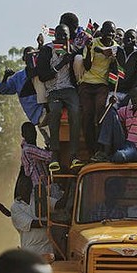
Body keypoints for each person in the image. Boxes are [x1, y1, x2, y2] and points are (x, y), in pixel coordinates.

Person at [36, 24, 82, 171]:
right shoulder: (47, 50)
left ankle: (74, 155)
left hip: (69, 89)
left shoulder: (73, 49)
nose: (62, 39)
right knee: (54, 112)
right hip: (53, 90)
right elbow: (43, 76)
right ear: (54, 36)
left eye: (65, 36)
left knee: (75, 112)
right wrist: (62, 63)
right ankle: (54, 154)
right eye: (59, 36)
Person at [79, 21, 122, 154]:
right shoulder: (93, 42)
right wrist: (89, 49)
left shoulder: (116, 47)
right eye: (107, 32)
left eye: (112, 33)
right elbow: (87, 66)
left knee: (100, 115)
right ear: (102, 32)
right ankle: (90, 148)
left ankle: (99, 148)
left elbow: (116, 71)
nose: (109, 35)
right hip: (87, 83)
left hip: (102, 85)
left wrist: (114, 61)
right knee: (87, 115)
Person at [93, 87, 137, 166]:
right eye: (133, 97)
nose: (135, 100)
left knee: (119, 156)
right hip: (127, 143)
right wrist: (110, 104)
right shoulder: (128, 109)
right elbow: (107, 118)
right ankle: (105, 152)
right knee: (111, 112)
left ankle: (109, 157)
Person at [0, 175, 54, 260]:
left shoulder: (40, 199)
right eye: (22, 186)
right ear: (18, 188)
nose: (24, 189)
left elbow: (58, 205)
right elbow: (32, 223)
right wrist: (48, 223)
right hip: (30, 252)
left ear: (31, 188)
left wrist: (71, 185)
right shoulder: (15, 207)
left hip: (48, 250)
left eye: (26, 186)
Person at [0, 47, 46, 127]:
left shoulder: (43, 72)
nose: (31, 58)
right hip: (37, 115)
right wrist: (5, 77)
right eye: (29, 55)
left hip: (47, 109)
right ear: (24, 58)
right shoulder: (18, 78)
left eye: (34, 55)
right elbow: (2, 89)